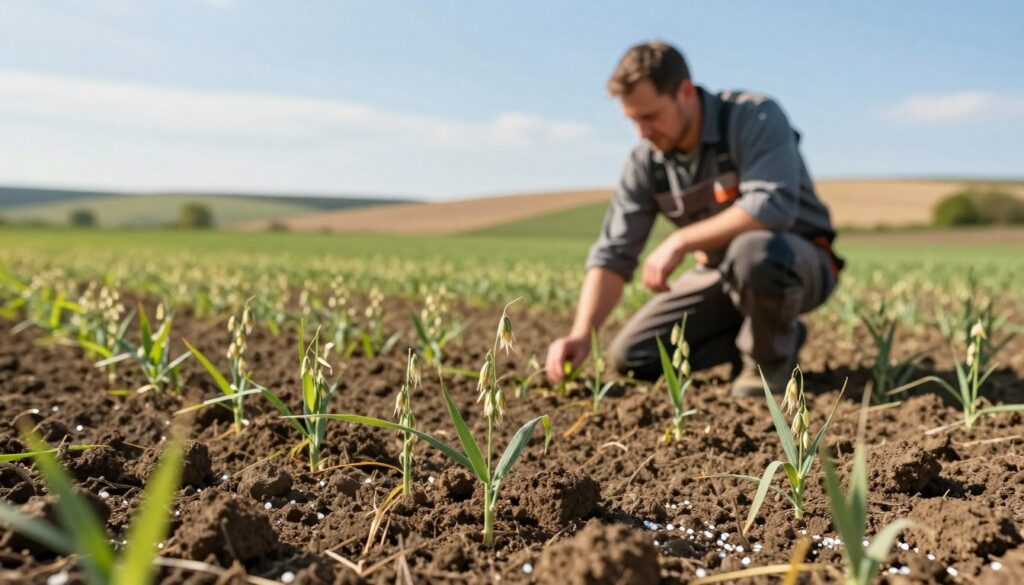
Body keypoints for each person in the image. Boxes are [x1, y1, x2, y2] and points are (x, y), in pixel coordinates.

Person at [544, 41, 842, 396]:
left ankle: (768, 364)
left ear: (685, 92)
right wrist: (581, 334)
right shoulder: (647, 161)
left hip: (795, 262)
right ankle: (772, 334)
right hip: (719, 273)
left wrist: (681, 240)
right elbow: (613, 253)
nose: (642, 132)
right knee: (634, 358)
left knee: (754, 252)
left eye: (650, 116)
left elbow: (771, 206)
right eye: (633, 120)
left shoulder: (754, 117)